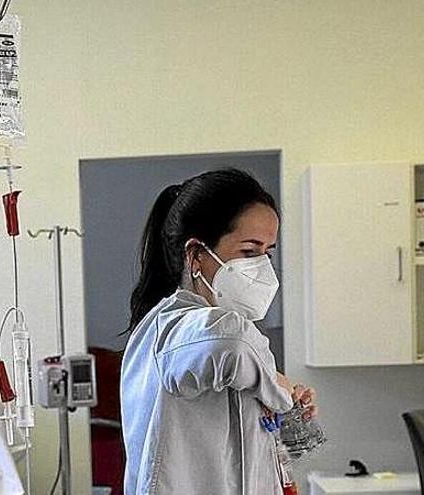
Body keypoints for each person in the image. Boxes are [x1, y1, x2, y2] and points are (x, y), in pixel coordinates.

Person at [121, 169, 317, 494]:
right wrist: (279, 385)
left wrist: (281, 404)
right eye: (249, 251)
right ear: (196, 255)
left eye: (267, 252)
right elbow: (230, 342)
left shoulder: (215, 336)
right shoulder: (172, 328)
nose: (262, 266)